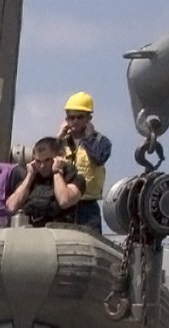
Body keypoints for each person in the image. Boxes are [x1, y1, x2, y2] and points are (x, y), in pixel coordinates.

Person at [58, 92, 114, 233]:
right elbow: (43, 157)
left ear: (89, 118)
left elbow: (99, 158)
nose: (75, 121)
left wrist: (89, 138)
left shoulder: (101, 142)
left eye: (80, 117)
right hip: (62, 205)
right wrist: (58, 137)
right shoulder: (60, 143)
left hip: (88, 207)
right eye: (71, 117)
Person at [7, 137, 84, 226]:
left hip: (58, 231)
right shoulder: (31, 178)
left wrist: (57, 171)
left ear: (59, 156)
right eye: (38, 161)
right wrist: (29, 176)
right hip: (30, 231)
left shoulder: (73, 177)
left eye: (47, 160)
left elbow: (64, 201)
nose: (42, 166)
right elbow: (11, 207)